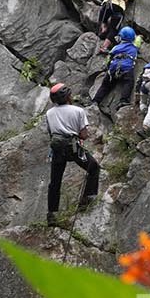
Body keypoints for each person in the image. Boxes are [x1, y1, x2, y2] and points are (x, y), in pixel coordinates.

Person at [45, 83, 100, 226]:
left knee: (55, 181)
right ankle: (87, 199)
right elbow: (84, 135)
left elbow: (51, 132)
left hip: (57, 148)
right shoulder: (78, 111)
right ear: (68, 96)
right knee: (93, 167)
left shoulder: (49, 113)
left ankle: (52, 214)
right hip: (73, 148)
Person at [90, 26, 142, 119]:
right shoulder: (134, 47)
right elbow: (138, 40)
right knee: (128, 82)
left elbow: (108, 59)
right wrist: (139, 36)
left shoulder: (116, 47)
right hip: (125, 68)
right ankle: (123, 100)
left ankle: (96, 101)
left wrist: (108, 68)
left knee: (105, 85)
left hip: (113, 69)